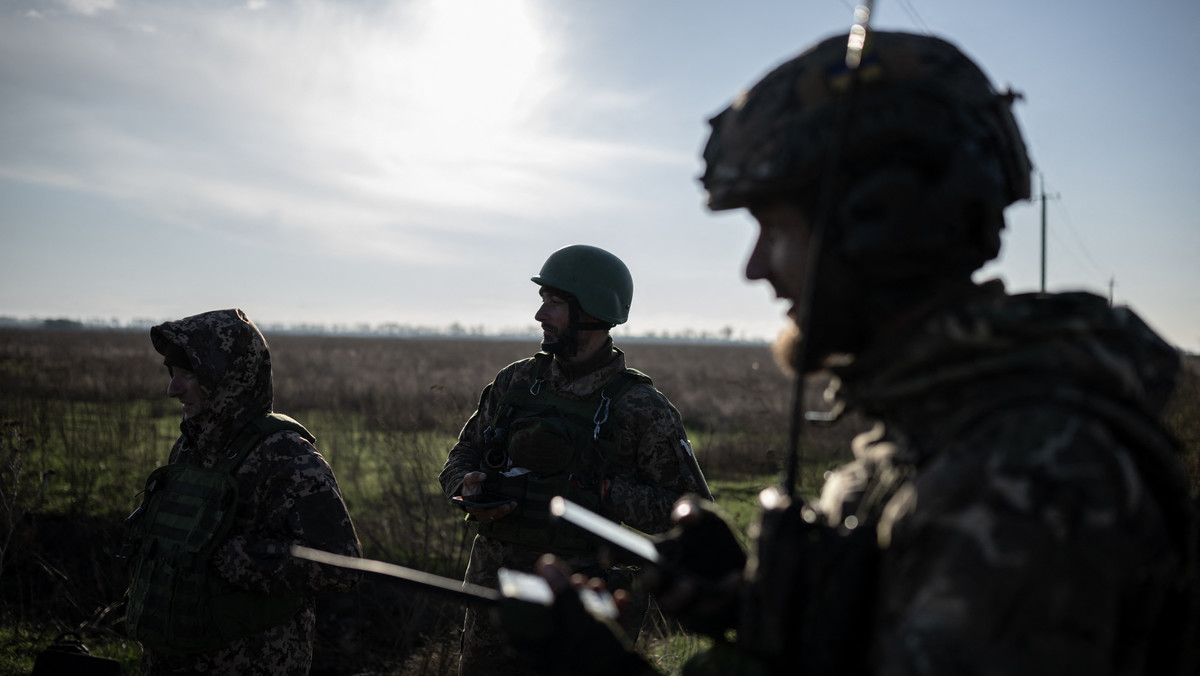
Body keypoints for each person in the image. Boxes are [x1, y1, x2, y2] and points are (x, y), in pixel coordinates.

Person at [502, 29, 1198, 676]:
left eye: (775, 228)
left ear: (878, 228)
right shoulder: (946, 432)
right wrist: (761, 609)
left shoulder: (1020, 483)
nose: (754, 267)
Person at [439, 244, 713, 675]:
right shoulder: (516, 382)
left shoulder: (640, 407)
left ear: (594, 309)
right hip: (497, 592)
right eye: (542, 301)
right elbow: (461, 454)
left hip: (587, 609)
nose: (540, 316)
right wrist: (466, 485)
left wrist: (601, 492)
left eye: (555, 303)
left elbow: (692, 520)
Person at [122, 308, 362, 675]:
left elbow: (340, 566)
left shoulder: (287, 457)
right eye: (173, 374)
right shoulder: (192, 445)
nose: (172, 389)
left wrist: (225, 555)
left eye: (189, 374)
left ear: (227, 378)